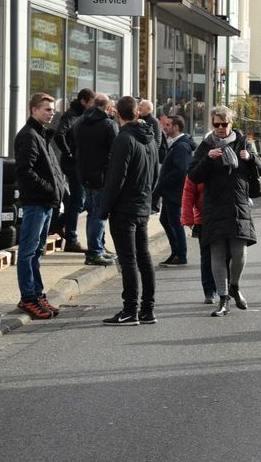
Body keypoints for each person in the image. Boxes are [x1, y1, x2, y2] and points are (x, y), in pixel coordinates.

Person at [188, 106, 261, 317]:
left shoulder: (243, 143)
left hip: (238, 204)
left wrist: (250, 158)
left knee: (239, 253)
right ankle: (222, 299)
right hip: (213, 206)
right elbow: (193, 175)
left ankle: (235, 286)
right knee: (218, 254)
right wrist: (208, 158)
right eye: (216, 124)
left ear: (231, 124)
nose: (221, 128)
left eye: (225, 124)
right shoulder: (205, 146)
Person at [100, 96, 160, 325]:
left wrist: (104, 209)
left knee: (129, 260)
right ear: (137, 113)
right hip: (142, 205)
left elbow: (116, 178)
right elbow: (155, 174)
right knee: (143, 258)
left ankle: (130, 310)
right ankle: (148, 309)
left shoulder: (124, 139)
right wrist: (148, 199)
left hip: (125, 208)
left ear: (117, 115)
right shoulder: (150, 138)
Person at [14, 93, 67, 320]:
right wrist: (49, 189)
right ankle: (28, 298)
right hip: (36, 203)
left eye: (52, 109)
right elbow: (26, 172)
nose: (51, 112)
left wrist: (58, 191)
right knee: (27, 252)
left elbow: (52, 169)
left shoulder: (42, 135)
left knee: (36, 252)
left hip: (46, 203)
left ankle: (37, 294)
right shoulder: (28, 136)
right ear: (33, 110)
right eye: (47, 109)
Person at [74, 92, 118, 266]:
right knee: (98, 214)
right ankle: (95, 251)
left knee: (92, 213)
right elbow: (115, 152)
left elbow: (74, 145)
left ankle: (97, 248)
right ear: (107, 107)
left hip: (84, 173)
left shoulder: (79, 122)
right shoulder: (108, 124)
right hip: (101, 175)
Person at [54, 88, 94, 253]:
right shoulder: (71, 115)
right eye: (91, 102)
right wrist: (68, 152)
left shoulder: (81, 115)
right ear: (83, 101)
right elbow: (59, 135)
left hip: (78, 163)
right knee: (79, 201)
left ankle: (56, 224)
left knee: (79, 201)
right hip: (72, 164)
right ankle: (71, 239)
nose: (92, 106)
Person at [153, 115, 195, 266]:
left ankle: (181, 255)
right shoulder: (177, 144)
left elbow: (181, 170)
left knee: (175, 222)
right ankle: (175, 253)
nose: (165, 127)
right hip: (170, 191)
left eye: (168, 125)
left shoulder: (181, 146)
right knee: (165, 220)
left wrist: (165, 182)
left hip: (174, 192)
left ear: (176, 127)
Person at [180, 175, 216, 303]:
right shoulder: (197, 166)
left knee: (225, 255)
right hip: (203, 219)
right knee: (207, 257)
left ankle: (225, 288)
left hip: (224, 217)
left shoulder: (226, 159)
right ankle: (209, 291)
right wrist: (187, 218)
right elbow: (188, 192)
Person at [138, 99, 167, 163]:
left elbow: (157, 140)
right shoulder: (137, 118)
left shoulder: (154, 121)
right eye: (139, 105)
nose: (139, 107)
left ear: (148, 108)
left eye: (142, 105)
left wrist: (151, 154)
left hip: (149, 155)